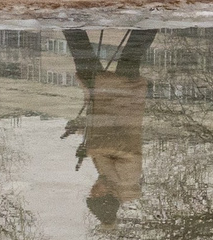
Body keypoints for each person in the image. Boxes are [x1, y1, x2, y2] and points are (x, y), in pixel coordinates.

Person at [63, 27, 153, 225]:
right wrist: (89, 150)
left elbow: (101, 134)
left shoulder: (107, 177)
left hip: (106, 105)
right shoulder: (127, 179)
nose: (92, 190)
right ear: (108, 197)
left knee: (85, 59)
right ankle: (153, 15)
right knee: (131, 56)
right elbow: (127, 149)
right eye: (96, 195)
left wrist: (78, 129)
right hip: (123, 102)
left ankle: (70, 21)